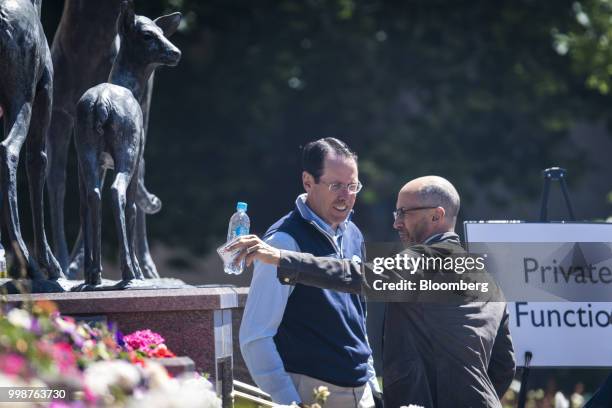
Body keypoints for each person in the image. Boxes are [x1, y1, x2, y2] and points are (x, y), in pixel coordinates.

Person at [231, 175, 516, 408]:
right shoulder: (488, 279)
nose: (396, 222)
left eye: (404, 213)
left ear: (436, 216)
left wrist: (281, 258)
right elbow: (504, 367)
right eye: (396, 212)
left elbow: (357, 274)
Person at [239, 138, 381, 407]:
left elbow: (357, 320)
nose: (346, 195)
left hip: (362, 393)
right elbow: (255, 337)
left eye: (352, 186)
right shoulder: (282, 242)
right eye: (336, 185)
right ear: (308, 182)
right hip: (312, 394)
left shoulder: (353, 233)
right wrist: (288, 401)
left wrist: (371, 383)